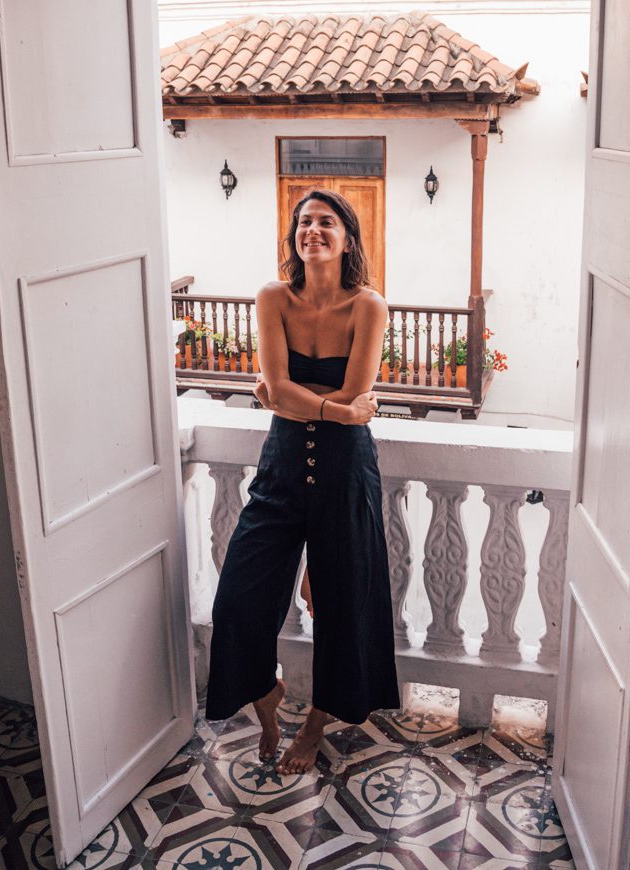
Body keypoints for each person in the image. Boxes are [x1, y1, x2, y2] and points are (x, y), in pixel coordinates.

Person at [205, 189, 400, 775]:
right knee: (239, 597)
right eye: (303, 222)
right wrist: (340, 412)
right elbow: (326, 397)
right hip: (283, 467)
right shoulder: (272, 298)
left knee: (344, 606)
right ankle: (266, 696)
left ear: (347, 237)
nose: (312, 230)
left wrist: (287, 397)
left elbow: (289, 391)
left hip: (345, 474)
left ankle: (315, 726)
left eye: (326, 222)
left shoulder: (369, 306)